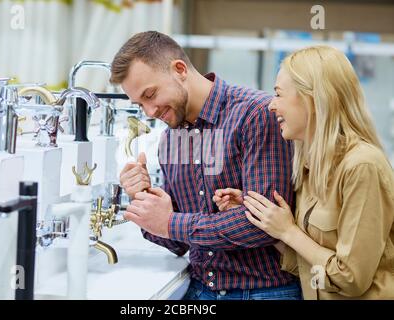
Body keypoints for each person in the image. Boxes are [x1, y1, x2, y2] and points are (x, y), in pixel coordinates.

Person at [110, 31, 302, 300]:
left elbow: (262, 226)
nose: (150, 111)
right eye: (140, 104)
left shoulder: (254, 114)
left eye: (150, 94)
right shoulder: (171, 139)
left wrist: (169, 222)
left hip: (264, 292)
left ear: (179, 69)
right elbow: (177, 242)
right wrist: (143, 199)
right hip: (200, 292)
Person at [213, 45, 394, 300]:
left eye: (278, 94)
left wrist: (288, 231)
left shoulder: (362, 166)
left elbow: (351, 278)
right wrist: (266, 220)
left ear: (314, 97)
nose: (271, 106)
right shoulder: (309, 167)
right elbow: (309, 268)